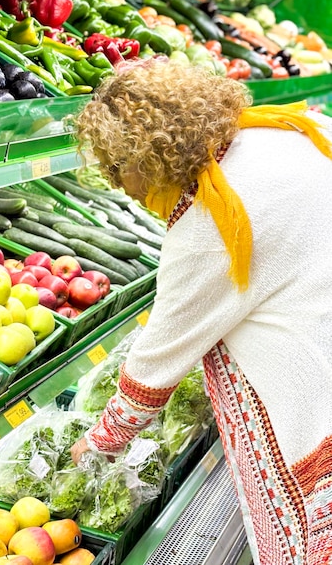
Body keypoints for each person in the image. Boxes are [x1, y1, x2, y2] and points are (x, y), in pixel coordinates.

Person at [69, 59, 332, 565]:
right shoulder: (280, 133)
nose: (117, 183)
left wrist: (102, 441)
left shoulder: (210, 222)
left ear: (149, 153)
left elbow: (156, 362)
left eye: (116, 165)